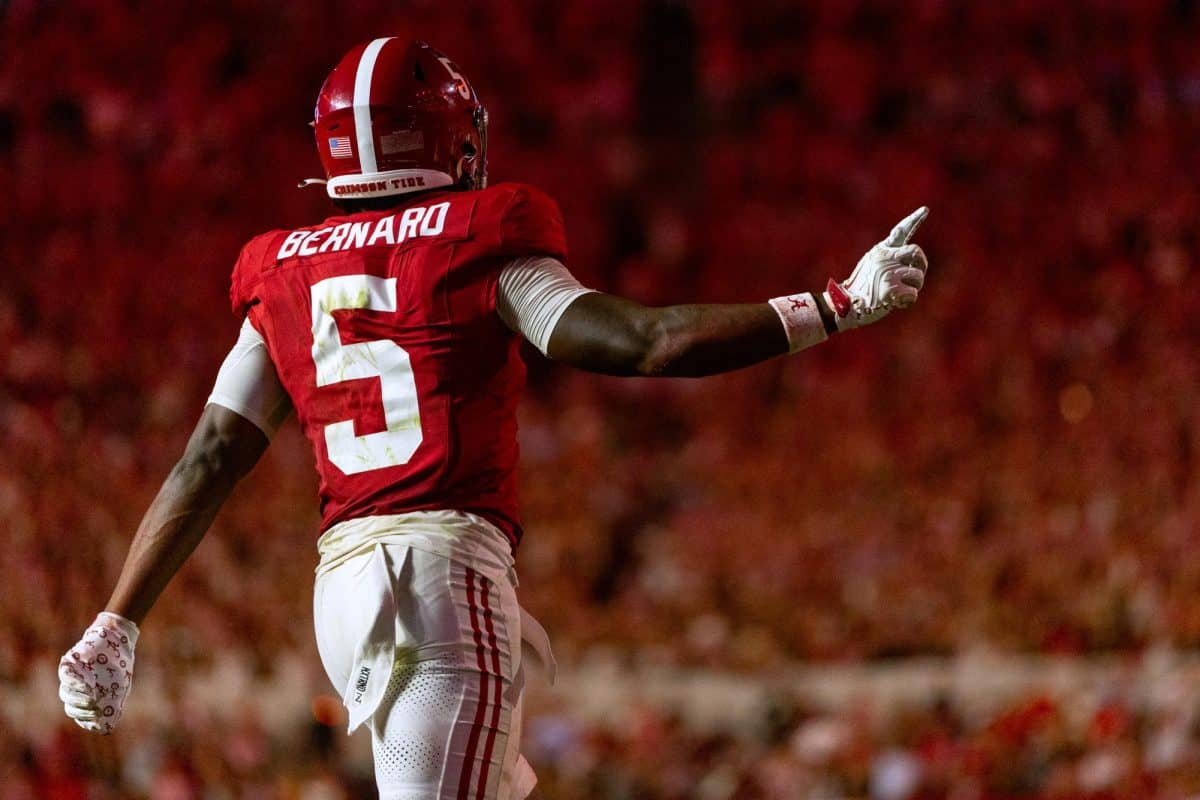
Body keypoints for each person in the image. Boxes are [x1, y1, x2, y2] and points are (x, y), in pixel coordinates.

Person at [58, 37, 929, 800]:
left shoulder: (281, 270)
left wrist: (118, 617)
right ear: (450, 140)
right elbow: (644, 341)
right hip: (436, 577)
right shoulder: (479, 234)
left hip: (344, 589)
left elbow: (210, 454)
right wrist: (834, 303)